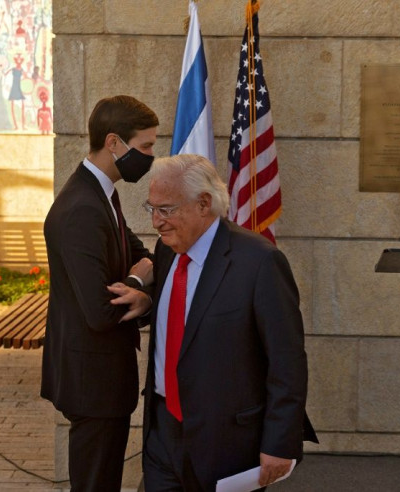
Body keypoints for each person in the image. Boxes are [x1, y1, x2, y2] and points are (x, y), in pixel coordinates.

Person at [109, 153, 318, 491]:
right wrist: (147, 303)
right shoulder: (166, 251)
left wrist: (280, 442)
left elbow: (287, 361)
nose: (156, 222)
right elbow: (184, 317)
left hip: (227, 443)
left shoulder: (259, 262)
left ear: (203, 204)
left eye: (166, 209)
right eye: (152, 209)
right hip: (163, 433)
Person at [40, 95, 158, 491]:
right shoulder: (82, 208)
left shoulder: (102, 193)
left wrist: (141, 288)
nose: (150, 156)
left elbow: (142, 256)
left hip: (103, 378)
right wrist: (139, 283)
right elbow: (101, 311)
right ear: (113, 143)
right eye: (145, 146)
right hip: (93, 382)